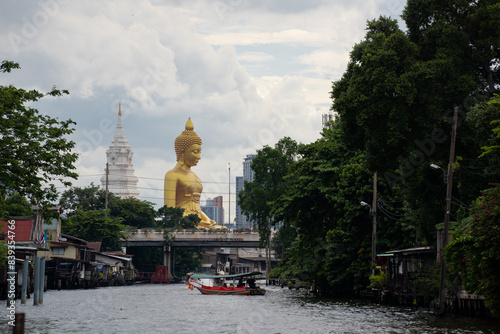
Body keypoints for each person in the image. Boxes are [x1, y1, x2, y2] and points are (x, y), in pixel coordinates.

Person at [164, 118, 222, 229]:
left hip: (198, 221)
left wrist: (207, 220)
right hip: (181, 224)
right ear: (182, 152)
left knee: (221, 229)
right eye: (195, 152)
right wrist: (196, 221)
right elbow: (170, 211)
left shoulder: (195, 176)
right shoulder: (172, 175)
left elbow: (196, 208)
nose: (199, 157)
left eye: (199, 152)